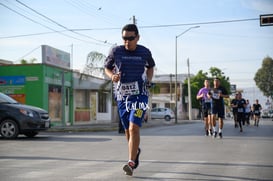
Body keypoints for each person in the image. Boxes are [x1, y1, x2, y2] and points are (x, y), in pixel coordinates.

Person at [104, 24, 155, 176]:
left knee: (134, 128)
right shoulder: (116, 51)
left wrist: (149, 79)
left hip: (140, 95)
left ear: (137, 37)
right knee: (127, 130)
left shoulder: (144, 52)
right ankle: (136, 151)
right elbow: (107, 67)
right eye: (124, 38)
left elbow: (151, 67)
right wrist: (111, 76)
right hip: (122, 97)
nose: (127, 41)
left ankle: (131, 163)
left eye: (130, 38)